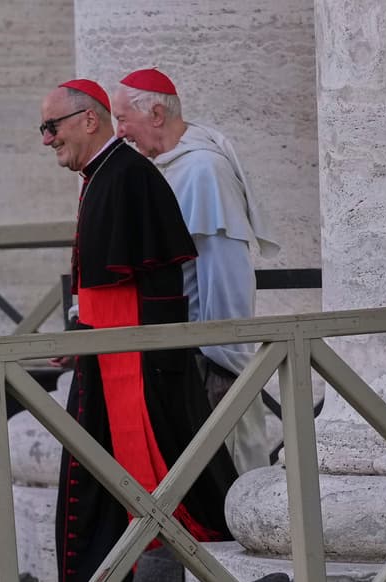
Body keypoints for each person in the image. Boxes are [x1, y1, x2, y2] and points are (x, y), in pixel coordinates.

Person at [35, 79, 238, 582]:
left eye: (53, 127)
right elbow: (107, 283)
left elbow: (142, 288)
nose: (47, 141)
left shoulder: (124, 175)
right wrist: (83, 336)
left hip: (133, 369)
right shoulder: (105, 176)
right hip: (111, 358)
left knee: (135, 489)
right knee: (92, 491)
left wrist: (101, 342)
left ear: (89, 121)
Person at [112, 68, 280, 475]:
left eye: (122, 119)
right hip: (177, 354)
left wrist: (224, 355)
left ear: (155, 114)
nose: (119, 133)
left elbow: (226, 274)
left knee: (228, 472)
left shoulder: (204, 171)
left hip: (208, 362)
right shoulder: (167, 165)